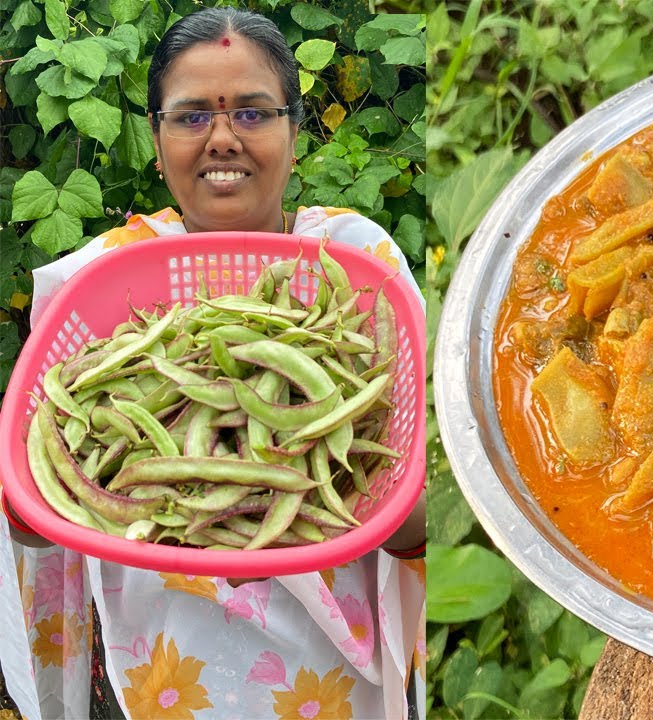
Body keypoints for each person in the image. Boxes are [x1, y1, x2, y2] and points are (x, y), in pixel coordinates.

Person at [0, 8, 427, 719]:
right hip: (169, 673)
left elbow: (414, 512)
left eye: (253, 113)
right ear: (157, 138)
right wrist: (39, 492)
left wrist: (395, 509)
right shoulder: (105, 279)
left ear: (296, 129)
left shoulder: (356, 261)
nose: (222, 137)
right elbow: (28, 517)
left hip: (340, 677)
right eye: (191, 116)